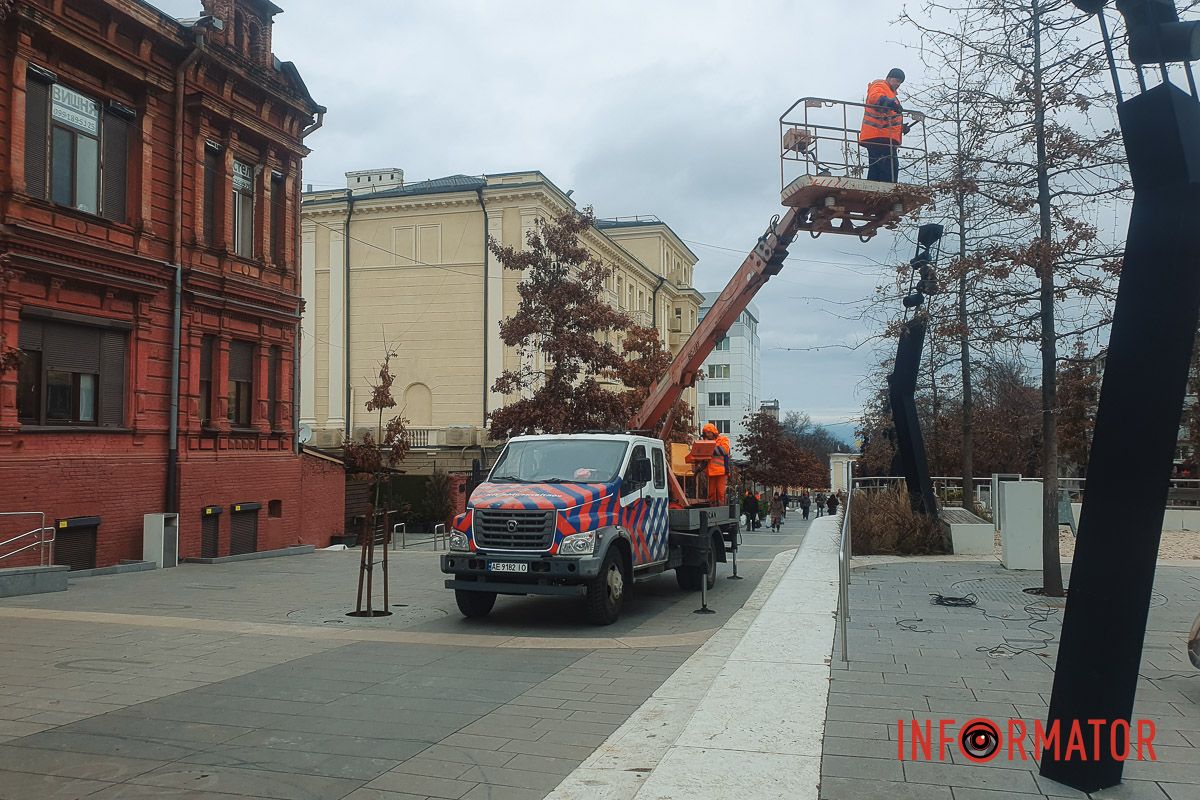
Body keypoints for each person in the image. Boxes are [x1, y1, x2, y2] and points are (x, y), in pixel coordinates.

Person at [859, 68, 923, 183]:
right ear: (888, 78)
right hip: (880, 137)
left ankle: (873, 195)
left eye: (900, 82)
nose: (898, 84)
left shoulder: (890, 94)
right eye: (896, 80)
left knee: (877, 169)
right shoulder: (880, 85)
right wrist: (890, 102)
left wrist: (901, 128)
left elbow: (887, 117)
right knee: (888, 171)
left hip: (881, 136)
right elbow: (874, 98)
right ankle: (884, 195)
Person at [700, 423, 731, 506]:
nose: (708, 434)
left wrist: (709, 449)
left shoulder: (723, 439)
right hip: (711, 472)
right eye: (706, 433)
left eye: (709, 432)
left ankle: (721, 509)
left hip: (721, 471)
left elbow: (725, 450)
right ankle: (712, 508)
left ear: (714, 432)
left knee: (721, 493)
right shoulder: (705, 442)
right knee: (711, 493)